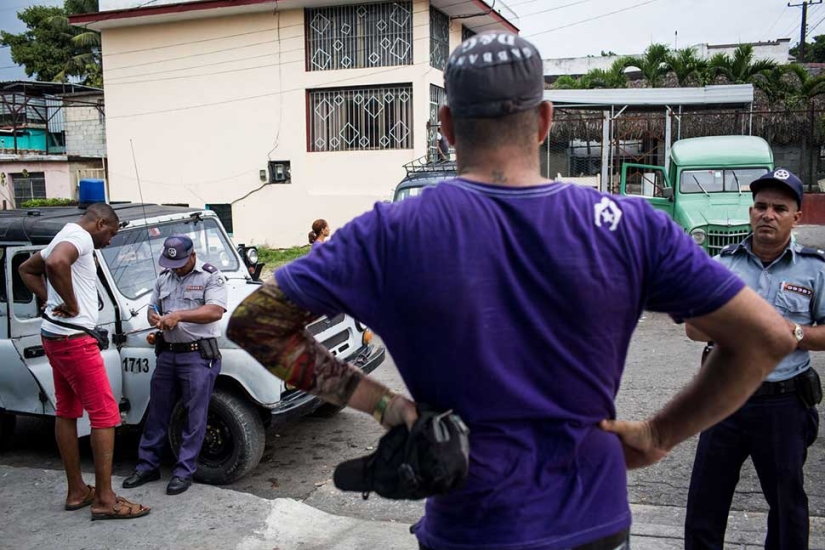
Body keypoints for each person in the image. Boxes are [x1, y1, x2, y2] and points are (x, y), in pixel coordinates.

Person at [226, 33, 795, 550]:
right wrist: (657, 435)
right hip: (593, 520)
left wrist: (384, 404)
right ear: (545, 120)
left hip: (471, 528)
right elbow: (765, 339)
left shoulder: (389, 233)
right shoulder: (629, 226)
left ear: (446, 126)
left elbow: (256, 323)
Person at [684, 169, 822, 550]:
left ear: (797, 216)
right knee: (704, 505)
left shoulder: (815, 268)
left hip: (782, 403)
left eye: (780, 208)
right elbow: (693, 329)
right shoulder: (721, 263)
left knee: (786, 506)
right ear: (750, 212)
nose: (768, 214)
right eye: (761, 206)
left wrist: (792, 333)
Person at [18, 203, 150, 520]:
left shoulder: (63, 234)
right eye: (112, 234)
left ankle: (77, 490)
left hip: (54, 336)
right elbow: (57, 262)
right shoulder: (80, 238)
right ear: (100, 223)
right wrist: (71, 304)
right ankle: (105, 499)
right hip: (74, 340)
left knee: (67, 410)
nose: (110, 242)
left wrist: (51, 302)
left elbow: (27, 269)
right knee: (105, 415)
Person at [122, 235, 227, 495]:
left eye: (180, 262)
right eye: (172, 263)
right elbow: (152, 307)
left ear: (192, 255)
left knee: (194, 415)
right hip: (167, 354)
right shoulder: (163, 279)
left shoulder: (210, 277)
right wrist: (156, 317)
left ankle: (184, 471)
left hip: (197, 356)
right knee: (157, 412)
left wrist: (179, 315)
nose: (176, 267)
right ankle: (148, 465)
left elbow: (215, 310)